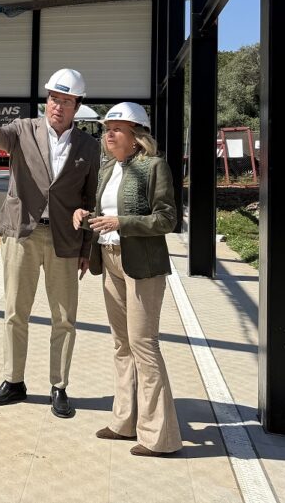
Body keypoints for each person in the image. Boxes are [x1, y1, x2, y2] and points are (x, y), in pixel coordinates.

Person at [0, 69, 100, 418]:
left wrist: (86, 248)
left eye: (66, 101)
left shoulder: (89, 147)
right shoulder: (23, 129)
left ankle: (59, 387)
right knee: (16, 311)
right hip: (22, 234)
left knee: (65, 317)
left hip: (65, 240)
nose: (57, 106)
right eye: (53, 98)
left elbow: (89, 198)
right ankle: (13, 381)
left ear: (77, 106)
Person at [74, 102, 182, 457]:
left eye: (117, 129)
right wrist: (85, 215)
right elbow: (105, 214)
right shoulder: (109, 168)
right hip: (109, 260)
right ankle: (124, 422)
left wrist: (122, 223)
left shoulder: (154, 167)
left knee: (144, 345)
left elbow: (167, 219)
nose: (109, 134)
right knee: (121, 344)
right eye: (107, 128)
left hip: (142, 265)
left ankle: (160, 438)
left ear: (136, 136)